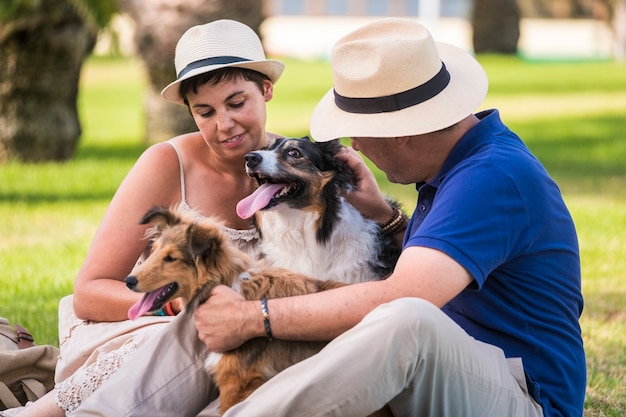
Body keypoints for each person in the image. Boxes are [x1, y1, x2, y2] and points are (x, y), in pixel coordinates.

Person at [71, 17, 586, 417]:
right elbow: (456, 269)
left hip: (523, 396)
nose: (354, 147)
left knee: (405, 320)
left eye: (359, 131)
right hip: (454, 371)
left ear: (405, 128)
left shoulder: (492, 177)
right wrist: (384, 217)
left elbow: (406, 297)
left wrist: (256, 318)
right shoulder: (457, 166)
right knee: (220, 296)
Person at [4, 19, 285, 417]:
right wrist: (175, 306)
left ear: (267, 89)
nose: (223, 125)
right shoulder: (167, 164)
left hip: (250, 337)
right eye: (204, 112)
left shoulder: (298, 168)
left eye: (237, 103)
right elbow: (90, 292)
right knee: (195, 333)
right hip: (144, 326)